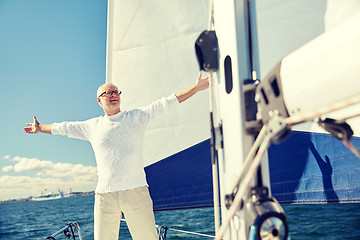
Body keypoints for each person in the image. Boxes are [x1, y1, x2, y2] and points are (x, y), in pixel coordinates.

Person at [24, 72, 209, 240]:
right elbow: (63, 128)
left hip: (136, 192)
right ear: (99, 100)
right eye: (108, 93)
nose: (113, 95)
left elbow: (166, 103)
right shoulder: (91, 126)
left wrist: (196, 87)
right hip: (105, 196)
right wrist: (40, 128)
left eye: (116, 92)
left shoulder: (137, 117)